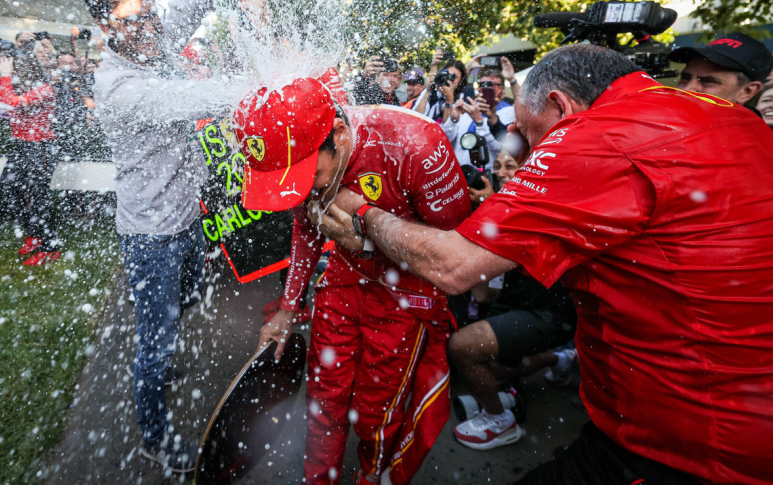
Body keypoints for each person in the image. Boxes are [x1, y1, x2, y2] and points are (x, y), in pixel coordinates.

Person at [313, 44, 773, 484]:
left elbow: (455, 266)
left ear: (561, 106)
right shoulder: (734, 120)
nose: (528, 151)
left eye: (531, 134)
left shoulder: (597, 137)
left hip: (693, 440)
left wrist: (363, 214)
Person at [232, 77, 472, 485]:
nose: (306, 191)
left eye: (313, 175)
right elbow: (306, 230)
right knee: (324, 400)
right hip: (343, 283)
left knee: (376, 412)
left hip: (406, 298)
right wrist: (288, 309)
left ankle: (371, 476)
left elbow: (456, 258)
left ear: (340, 134)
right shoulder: (302, 157)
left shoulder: (416, 146)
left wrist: (364, 238)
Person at [80, 0, 254, 475]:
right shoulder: (119, 86)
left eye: (151, 13)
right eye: (134, 20)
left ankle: (164, 358)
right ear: (105, 26)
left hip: (185, 222)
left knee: (187, 300)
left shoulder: (148, 36)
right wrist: (269, 83)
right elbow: (199, 96)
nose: (151, 27)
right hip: (150, 239)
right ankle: (155, 436)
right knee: (154, 347)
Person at [449, 150, 577, 450]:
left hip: (550, 310)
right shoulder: (496, 208)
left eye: (511, 167)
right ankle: (562, 361)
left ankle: (498, 421)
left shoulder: (536, 205)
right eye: (497, 167)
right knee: (495, 370)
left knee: (464, 347)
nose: (503, 173)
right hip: (516, 302)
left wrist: (495, 205)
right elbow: (482, 289)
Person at [0, 45, 62, 266]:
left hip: (40, 147)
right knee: (8, 190)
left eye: (14, 70)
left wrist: (5, 76)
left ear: (25, 69)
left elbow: (12, 102)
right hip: (21, 145)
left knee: (38, 197)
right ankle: (35, 234)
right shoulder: (15, 87)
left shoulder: (45, 89)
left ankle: (51, 247)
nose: (12, 74)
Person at [671, 32, 773, 105]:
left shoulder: (758, 134)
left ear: (747, 92)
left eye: (708, 81)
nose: (687, 89)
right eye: (685, 77)